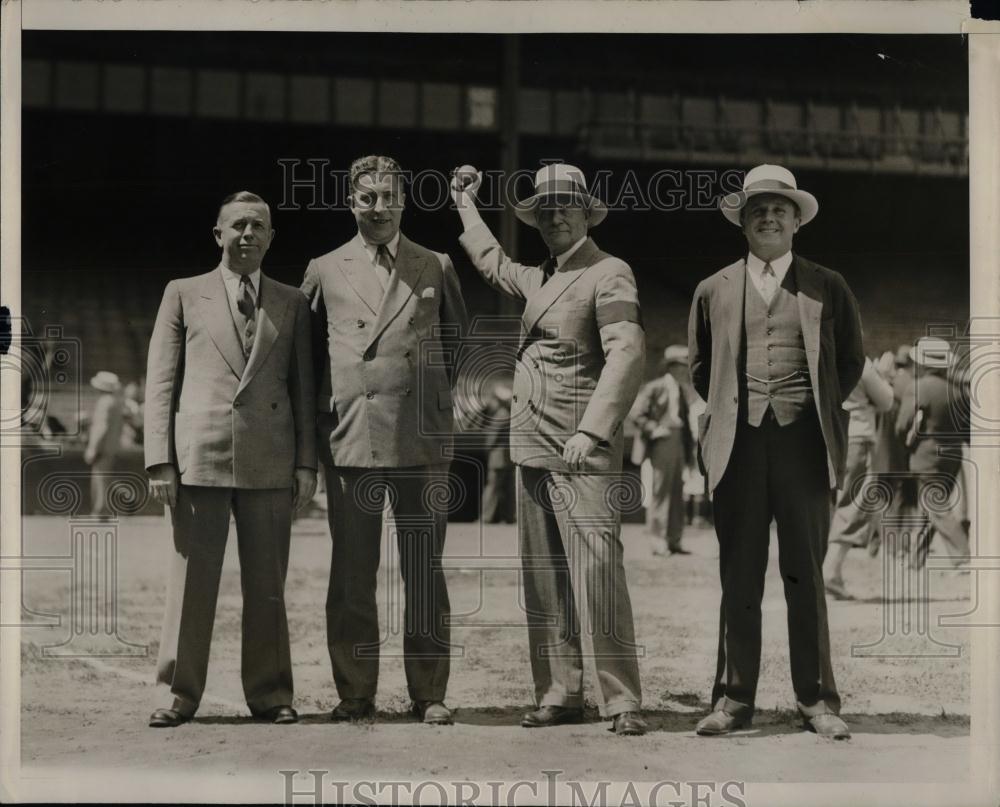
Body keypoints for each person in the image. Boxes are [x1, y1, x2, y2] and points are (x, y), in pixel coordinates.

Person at [452, 163, 648, 736]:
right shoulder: (538, 277)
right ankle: (560, 691)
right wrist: (466, 201)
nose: (554, 215)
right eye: (544, 209)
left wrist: (594, 430)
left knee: (598, 572)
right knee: (543, 575)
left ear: (587, 211)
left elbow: (628, 352)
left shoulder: (610, 272)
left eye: (566, 205)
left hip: (582, 447)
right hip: (530, 442)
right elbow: (489, 262)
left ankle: (621, 700)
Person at [688, 164, 864, 740]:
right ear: (742, 221)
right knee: (738, 575)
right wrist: (737, 410)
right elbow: (700, 369)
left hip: (805, 447)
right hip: (736, 447)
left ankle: (816, 701)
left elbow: (849, 364)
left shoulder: (827, 285)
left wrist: (802, 407)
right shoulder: (712, 288)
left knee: (804, 576)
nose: (769, 217)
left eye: (779, 209)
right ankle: (734, 699)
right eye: (757, 209)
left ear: (796, 220)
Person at [301, 155, 469, 726]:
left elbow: (459, 341)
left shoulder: (436, 263)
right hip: (351, 439)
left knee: (424, 569)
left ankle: (429, 691)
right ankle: (354, 691)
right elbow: (307, 357)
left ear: (404, 201)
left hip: (421, 441)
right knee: (352, 571)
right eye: (367, 197)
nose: (378, 208)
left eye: (389, 197)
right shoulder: (323, 269)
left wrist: (431, 400)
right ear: (351, 201)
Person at [144, 191, 317, 728]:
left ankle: (271, 694)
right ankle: (178, 693)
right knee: (192, 583)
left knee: (267, 586)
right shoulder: (182, 293)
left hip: (271, 462)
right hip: (200, 460)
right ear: (217, 234)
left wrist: (306, 463)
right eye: (237, 225)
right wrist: (159, 461)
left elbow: (303, 390)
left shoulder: (292, 301)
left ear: (271, 238)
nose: (248, 234)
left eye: (258, 226)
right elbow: (161, 383)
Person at [892, 336, 969, 568]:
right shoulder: (957, 391)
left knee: (935, 506)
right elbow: (967, 428)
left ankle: (963, 555)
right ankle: (916, 559)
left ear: (923, 363)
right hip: (953, 456)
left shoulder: (919, 387)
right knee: (932, 506)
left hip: (927, 455)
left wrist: (907, 445)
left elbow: (901, 425)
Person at [823, 354, 894, 599]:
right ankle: (831, 572)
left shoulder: (819, 354)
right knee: (853, 504)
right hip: (857, 437)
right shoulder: (858, 362)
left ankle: (829, 574)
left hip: (826, 435)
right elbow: (886, 401)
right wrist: (882, 375)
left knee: (829, 505)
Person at [630, 345, 694, 555]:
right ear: (671, 367)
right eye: (682, 366)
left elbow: (684, 422)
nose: (685, 370)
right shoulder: (655, 387)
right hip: (662, 441)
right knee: (660, 491)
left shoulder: (682, 390)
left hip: (678, 442)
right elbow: (637, 414)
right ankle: (658, 541)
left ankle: (674, 539)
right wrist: (654, 429)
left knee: (677, 491)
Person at [83, 371, 125, 517]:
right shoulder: (115, 402)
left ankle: (100, 510)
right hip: (111, 446)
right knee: (104, 478)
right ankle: (102, 509)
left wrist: (92, 448)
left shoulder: (104, 402)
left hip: (102, 447)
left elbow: (101, 427)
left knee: (100, 478)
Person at [480, 382, 516, 524]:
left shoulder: (500, 415)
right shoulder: (508, 414)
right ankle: (509, 516)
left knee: (492, 488)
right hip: (508, 459)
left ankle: (486, 517)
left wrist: (486, 449)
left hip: (497, 458)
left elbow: (491, 439)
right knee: (508, 489)